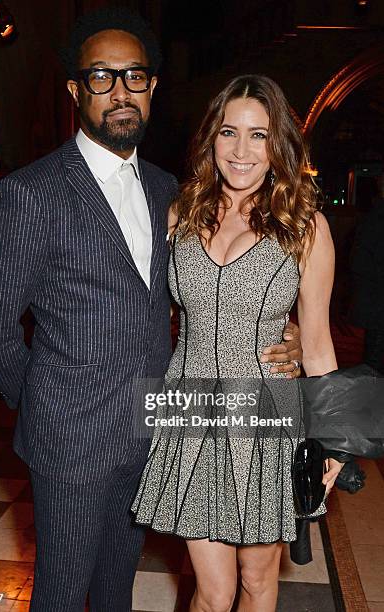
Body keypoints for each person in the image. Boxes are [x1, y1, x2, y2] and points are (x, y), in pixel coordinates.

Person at [0, 8, 303, 611]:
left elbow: (213, 292)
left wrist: (284, 332)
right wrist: (50, 401)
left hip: (154, 429)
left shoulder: (173, 191)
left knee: (117, 587)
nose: (120, 91)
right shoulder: (28, 194)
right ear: (76, 91)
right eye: (101, 77)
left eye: (134, 76)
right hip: (72, 438)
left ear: (152, 88)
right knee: (62, 594)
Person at [132, 75, 344, 612]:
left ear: (279, 147)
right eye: (230, 132)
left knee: (256, 582)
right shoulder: (178, 216)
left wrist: (334, 442)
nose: (242, 151)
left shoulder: (306, 230)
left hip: (266, 418)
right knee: (214, 589)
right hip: (192, 412)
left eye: (259, 134)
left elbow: (317, 346)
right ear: (212, 139)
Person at [350, 173, 384, 374]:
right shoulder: (378, 217)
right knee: (374, 367)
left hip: (375, 305)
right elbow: (361, 262)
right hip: (378, 306)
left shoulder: (374, 214)